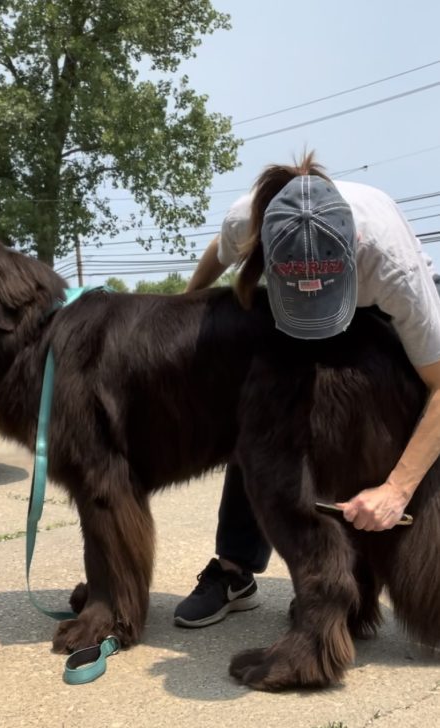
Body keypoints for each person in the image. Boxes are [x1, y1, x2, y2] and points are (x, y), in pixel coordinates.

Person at [173, 151, 440, 628]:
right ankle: (234, 569)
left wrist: (396, 489)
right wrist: (183, 310)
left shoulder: (393, 269)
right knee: (257, 417)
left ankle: (353, 580)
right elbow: (218, 252)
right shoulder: (246, 221)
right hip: (280, 313)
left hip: (371, 310)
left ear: (353, 247)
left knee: (373, 429)